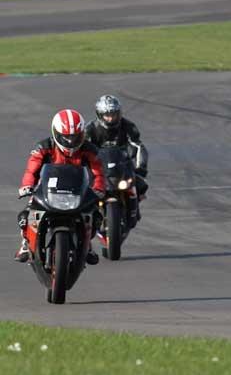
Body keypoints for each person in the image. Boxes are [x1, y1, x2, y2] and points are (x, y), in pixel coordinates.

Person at [15, 109, 105, 265]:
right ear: (56, 133)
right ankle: (25, 243)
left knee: (96, 216)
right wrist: (27, 186)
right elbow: (31, 169)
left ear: (82, 134)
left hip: (77, 190)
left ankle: (87, 245)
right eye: (66, 137)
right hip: (47, 188)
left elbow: (99, 172)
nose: (70, 141)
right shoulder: (44, 146)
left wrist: (99, 189)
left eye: (75, 137)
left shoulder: (89, 149)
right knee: (25, 216)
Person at [85, 95, 149, 222]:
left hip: (122, 164)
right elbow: (84, 150)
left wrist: (141, 168)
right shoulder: (90, 129)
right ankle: (88, 217)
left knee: (141, 184)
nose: (110, 118)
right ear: (100, 115)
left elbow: (139, 146)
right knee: (85, 189)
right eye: (107, 115)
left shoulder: (128, 126)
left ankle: (134, 207)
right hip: (99, 167)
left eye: (113, 114)